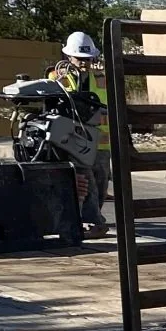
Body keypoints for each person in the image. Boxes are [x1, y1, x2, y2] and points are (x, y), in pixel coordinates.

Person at [52, 30, 110, 234]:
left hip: (101, 143)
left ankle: (93, 218)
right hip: (75, 140)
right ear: (69, 57)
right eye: (80, 58)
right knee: (86, 182)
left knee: (101, 184)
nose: (85, 63)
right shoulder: (58, 78)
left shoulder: (102, 79)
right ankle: (92, 221)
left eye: (88, 58)